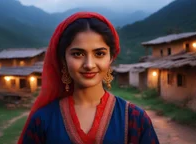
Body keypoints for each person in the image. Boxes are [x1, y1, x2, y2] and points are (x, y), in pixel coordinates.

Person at [18, 12, 159, 144]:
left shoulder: (134, 120)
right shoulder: (42, 120)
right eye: (78, 54)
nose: (89, 65)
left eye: (99, 54)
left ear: (111, 58)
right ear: (63, 59)